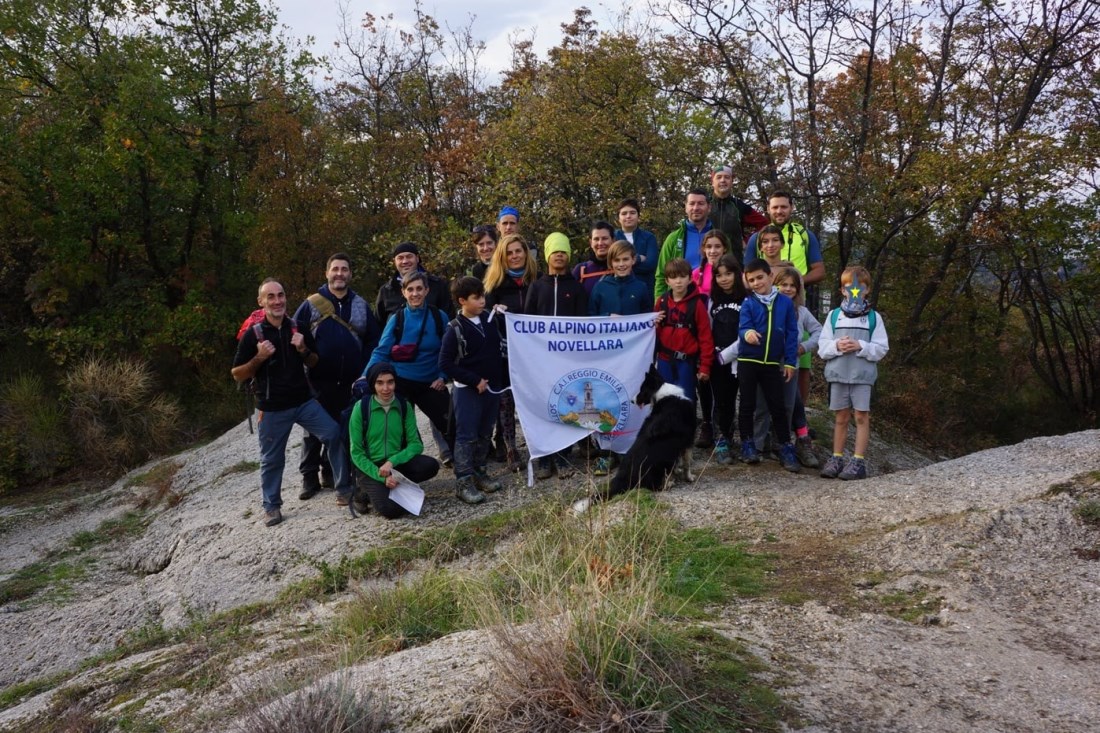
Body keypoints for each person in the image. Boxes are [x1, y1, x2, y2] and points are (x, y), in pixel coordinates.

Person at [232, 278, 352, 527]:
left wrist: (303, 350)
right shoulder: (254, 334)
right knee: (272, 459)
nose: (277, 301)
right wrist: (259, 357)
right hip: (271, 406)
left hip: (303, 401)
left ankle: (344, 489)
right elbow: (237, 373)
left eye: (281, 295)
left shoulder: (298, 327)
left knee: (333, 434)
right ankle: (272, 507)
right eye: (271, 297)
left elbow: (314, 362)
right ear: (261, 302)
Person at [293, 253, 381, 501]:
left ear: (350, 274)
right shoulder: (310, 304)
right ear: (327, 273)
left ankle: (331, 473)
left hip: (352, 380)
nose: (339, 274)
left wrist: (365, 371)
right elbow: (295, 335)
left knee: (344, 429)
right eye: (335, 269)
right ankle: (309, 478)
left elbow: (373, 340)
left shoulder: (362, 305)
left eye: (344, 269)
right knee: (313, 433)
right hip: (318, 380)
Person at [374, 242, 453, 465]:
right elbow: (380, 347)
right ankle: (412, 466)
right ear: (403, 293)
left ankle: (464, 467)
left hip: (431, 379)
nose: (415, 293)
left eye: (419, 289)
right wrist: (368, 376)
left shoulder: (439, 314)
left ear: (427, 290)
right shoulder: (394, 314)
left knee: (450, 423)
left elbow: (448, 348)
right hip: (402, 379)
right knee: (401, 428)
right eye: (410, 290)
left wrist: (443, 375)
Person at [439, 277, 507, 504]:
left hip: (492, 389)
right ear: (462, 301)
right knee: (466, 436)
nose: (482, 301)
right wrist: (473, 380)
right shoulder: (454, 329)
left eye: (483, 296)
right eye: (476, 298)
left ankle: (480, 472)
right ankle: (464, 481)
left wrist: (504, 313)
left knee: (485, 432)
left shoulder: (490, 321)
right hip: (468, 391)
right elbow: (446, 364)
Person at [818, 266, 889, 480]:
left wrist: (861, 346)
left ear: (867, 290)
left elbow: (882, 348)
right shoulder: (834, 316)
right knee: (840, 417)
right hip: (838, 374)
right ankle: (837, 457)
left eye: (860, 288)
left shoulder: (873, 318)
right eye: (849, 288)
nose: (855, 292)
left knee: (860, 416)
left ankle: (858, 460)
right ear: (842, 290)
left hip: (862, 376)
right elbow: (822, 347)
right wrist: (838, 345)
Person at [348, 362, 440, 518]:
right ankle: (362, 491)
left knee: (431, 466)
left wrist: (392, 461)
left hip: (395, 464)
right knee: (392, 511)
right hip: (371, 466)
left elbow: (416, 444)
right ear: (372, 384)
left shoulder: (404, 406)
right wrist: (381, 477)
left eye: (390, 382)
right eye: (380, 383)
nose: (386, 388)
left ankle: (394, 484)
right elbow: (356, 452)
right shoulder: (361, 408)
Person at [528, 232, 585, 481]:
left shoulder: (576, 287)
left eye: (564, 251)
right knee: (542, 406)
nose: (559, 255)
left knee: (565, 406)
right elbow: (526, 322)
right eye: (555, 251)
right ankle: (543, 457)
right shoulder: (536, 286)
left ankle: (563, 455)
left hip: (567, 360)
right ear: (548, 255)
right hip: (541, 361)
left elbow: (585, 324)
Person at [751, 267, 822, 468]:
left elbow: (819, 331)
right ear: (775, 285)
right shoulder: (765, 306)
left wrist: (804, 347)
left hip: (791, 365)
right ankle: (758, 444)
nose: (788, 289)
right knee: (762, 404)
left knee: (788, 405)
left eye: (792, 286)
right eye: (784, 285)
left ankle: (780, 443)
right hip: (766, 364)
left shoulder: (802, 312)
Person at [736, 259, 801, 472]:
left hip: (773, 363)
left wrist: (790, 362)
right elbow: (743, 327)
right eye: (751, 280)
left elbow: (792, 334)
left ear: (770, 277)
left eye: (759, 278)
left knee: (778, 406)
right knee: (747, 405)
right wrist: (748, 334)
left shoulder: (785, 303)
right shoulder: (748, 303)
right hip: (748, 361)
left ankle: (785, 446)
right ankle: (747, 444)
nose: (756, 283)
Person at [484, 234, 539, 472]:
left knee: (534, 398)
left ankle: (539, 445)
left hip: (535, 353)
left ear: (526, 254)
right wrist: (495, 313)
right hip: (505, 352)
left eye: (519, 251)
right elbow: (484, 319)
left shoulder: (537, 281)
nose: (515, 256)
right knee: (506, 401)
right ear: (502, 257)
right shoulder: (493, 285)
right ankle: (511, 449)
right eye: (510, 252)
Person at [690, 230, 731, 448]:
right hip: (702, 334)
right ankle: (706, 424)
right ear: (704, 250)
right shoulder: (696, 274)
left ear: (724, 248)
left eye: (717, 246)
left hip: (726, 333)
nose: (713, 251)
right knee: (703, 381)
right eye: (709, 247)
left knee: (724, 385)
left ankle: (725, 428)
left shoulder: (733, 272)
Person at [654, 258, 713, 403]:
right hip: (664, 360)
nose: (678, 281)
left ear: (690, 278)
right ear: (667, 281)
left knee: (685, 401)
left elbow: (705, 336)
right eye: (673, 277)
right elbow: (653, 334)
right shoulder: (662, 302)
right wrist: (654, 324)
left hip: (686, 362)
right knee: (663, 400)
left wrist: (705, 365)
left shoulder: (697, 304)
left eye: (682, 276)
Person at [707, 254, 747, 465]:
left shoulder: (747, 299)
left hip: (742, 358)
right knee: (722, 401)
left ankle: (747, 440)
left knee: (747, 400)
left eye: (728, 274)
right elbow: (707, 328)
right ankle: (721, 439)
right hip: (717, 359)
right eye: (719, 275)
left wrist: (731, 352)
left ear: (737, 274)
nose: (724, 279)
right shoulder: (712, 300)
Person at [745, 191, 825, 289]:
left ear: (791, 208)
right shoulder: (757, 238)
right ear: (768, 209)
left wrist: (794, 282)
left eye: (784, 207)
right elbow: (746, 273)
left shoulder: (805, 235)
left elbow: (819, 271)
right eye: (775, 207)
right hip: (763, 300)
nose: (779, 211)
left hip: (795, 300)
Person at [655, 188, 713, 299]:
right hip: (680, 300)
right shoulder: (673, 238)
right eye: (692, 204)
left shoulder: (719, 237)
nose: (696, 208)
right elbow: (661, 275)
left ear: (709, 207)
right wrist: (659, 305)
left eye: (701, 204)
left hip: (712, 300)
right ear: (686, 208)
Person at [375, 241, 453, 324]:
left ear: (417, 258)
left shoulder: (437, 285)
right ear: (395, 261)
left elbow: (449, 317)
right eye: (400, 258)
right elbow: (377, 325)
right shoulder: (386, 291)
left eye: (409, 257)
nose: (405, 261)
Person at [709, 164, 769, 266]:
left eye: (727, 177)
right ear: (712, 182)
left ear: (732, 182)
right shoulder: (705, 204)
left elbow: (764, 223)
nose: (723, 180)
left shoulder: (738, 205)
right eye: (719, 177)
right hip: (708, 264)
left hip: (734, 264)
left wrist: (749, 241)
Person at [588, 240, 652, 317]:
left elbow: (647, 317)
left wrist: (654, 319)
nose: (621, 264)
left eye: (625, 259)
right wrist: (607, 316)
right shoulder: (599, 287)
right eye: (617, 260)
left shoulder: (641, 287)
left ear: (633, 260)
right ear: (611, 262)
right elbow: (590, 317)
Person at [614, 198, 659, 295]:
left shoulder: (649, 237)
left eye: (632, 213)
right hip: (618, 290)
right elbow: (610, 264)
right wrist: (638, 258)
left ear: (638, 216)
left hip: (645, 290)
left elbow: (650, 265)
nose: (628, 216)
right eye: (624, 213)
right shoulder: (613, 237)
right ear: (618, 218)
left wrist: (622, 267)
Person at [572, 221, 615, 296]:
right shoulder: (581, 270)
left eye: (605, 238)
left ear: (613, 241)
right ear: (590, 242)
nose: (600, 243)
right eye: (596, 239)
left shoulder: (621, 268)